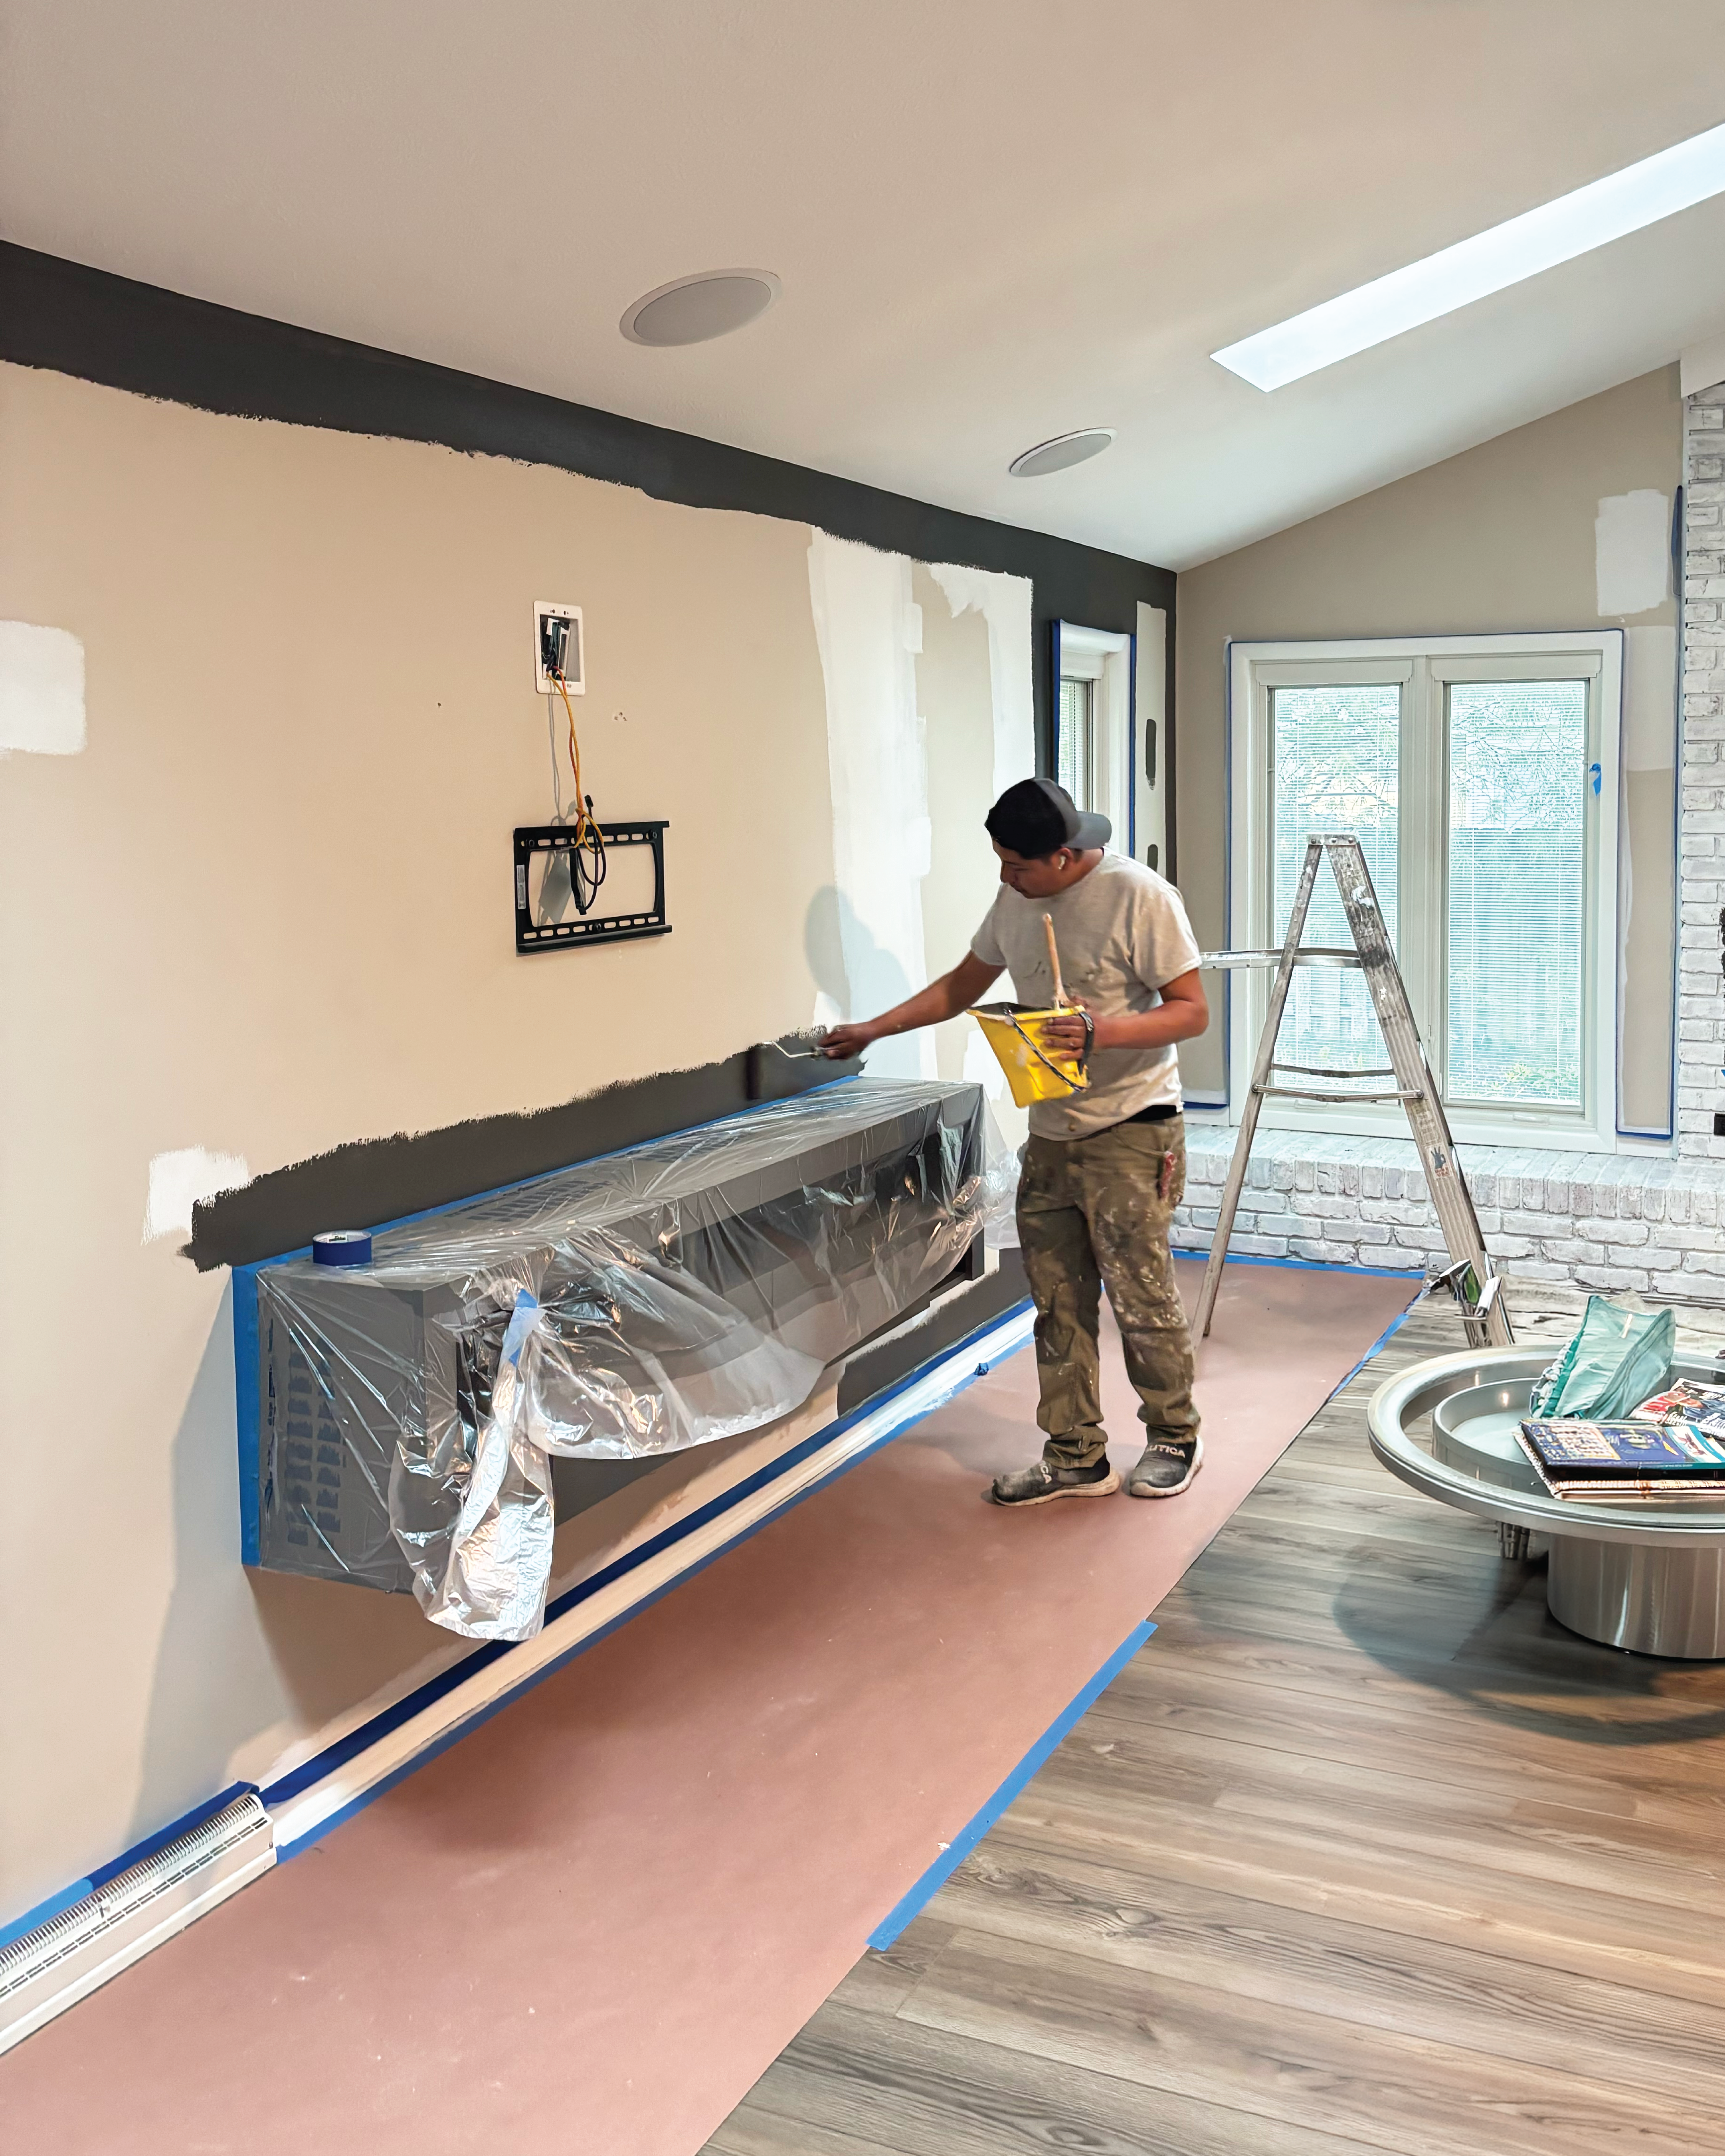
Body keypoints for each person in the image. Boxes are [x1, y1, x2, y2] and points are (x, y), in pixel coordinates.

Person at [821, 776, 1209, 1506]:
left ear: (1064, 856)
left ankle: (1173, 1438)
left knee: (1140, 1295)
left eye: (1018, 864)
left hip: (1133, 1128)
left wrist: (1103, 1031)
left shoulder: (1140, 896)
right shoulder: (1018, 899)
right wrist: (874, 1028)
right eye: (1000, 861)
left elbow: (1192, 1013)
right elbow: (960, 986)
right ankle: (1076, 1458)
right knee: (1057, 1302)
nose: (1005, 876)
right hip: (1052, 1134)